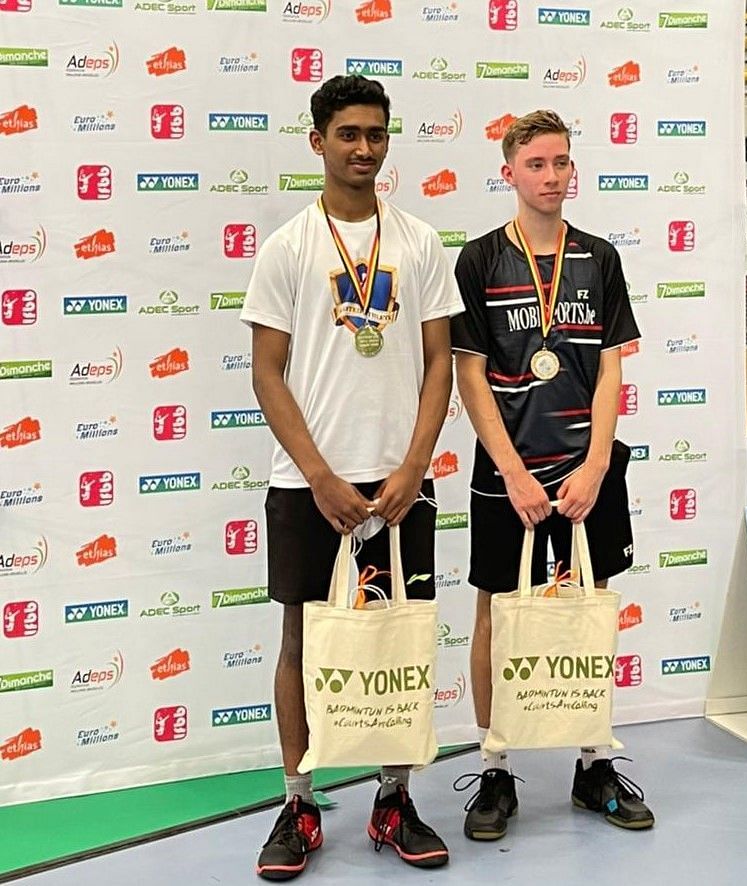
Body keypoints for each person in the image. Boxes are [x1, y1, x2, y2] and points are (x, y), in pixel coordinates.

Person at [240, 74, 464, 880]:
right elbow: (268, 373)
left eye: (375, 134)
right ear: (318, 142)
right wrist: (319, 474)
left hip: (400, 481)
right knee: (302, 637)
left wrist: (413, 465)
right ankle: (298, 800)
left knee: (398, 639)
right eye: (347, 135)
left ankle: (394, 798)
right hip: (311, 485)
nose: (363, 148)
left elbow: (440, 361)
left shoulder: (420, 243)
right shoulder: (288, 247)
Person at [449, 109, 655, 840]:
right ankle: (495, 769)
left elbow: (608, 365)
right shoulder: (477, 259)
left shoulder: (598, 257)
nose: (550, 176)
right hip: (509, 473)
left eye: (560, 162)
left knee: (589, 612)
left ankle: (593, 763)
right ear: (507, 172)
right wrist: (510, 470)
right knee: (492, 615)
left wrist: (597, 462)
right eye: (535, 164)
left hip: (583, 470)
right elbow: (468, 375)